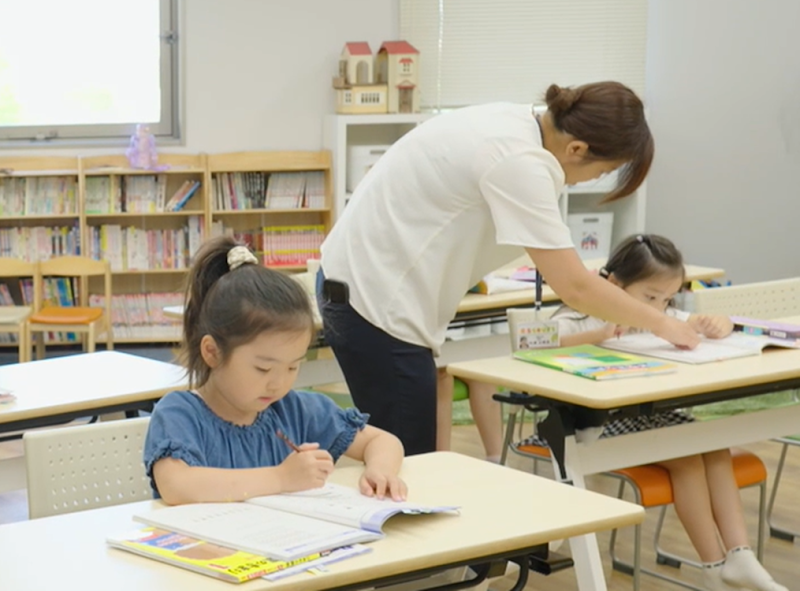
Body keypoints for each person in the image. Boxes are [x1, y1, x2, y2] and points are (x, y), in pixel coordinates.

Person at [318, 80, 700, 456]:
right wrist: (663, 323)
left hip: (363, 285)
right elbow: (575, 288)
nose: (597, 180)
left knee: (409, 454)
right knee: (404, 459)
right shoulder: (520, 161)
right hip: (376, 302)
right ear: (577, 148)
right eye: (603, 170)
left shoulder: (517, 123)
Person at [523, 233, 786, 591]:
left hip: (645, 418)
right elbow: (532, 342)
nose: (659, 308)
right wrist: (599, 334)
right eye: (649, 297)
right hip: (589, 426)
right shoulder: (580, 314)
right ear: (614, 283)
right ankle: (713, 568)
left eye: (666, 299)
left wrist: (717, 324)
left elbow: (702, 324)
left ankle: (740, 556)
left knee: (714, 444)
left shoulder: (662, 314)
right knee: (689, 458)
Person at [144, 236, 406, 505]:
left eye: (293, 366)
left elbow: (383, 441)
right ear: (212, 352)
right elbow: (177, 485)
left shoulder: (294, 410)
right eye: (263, 368)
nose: (279, 384)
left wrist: (380, 471)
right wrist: (282, 478)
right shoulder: (180, 414)